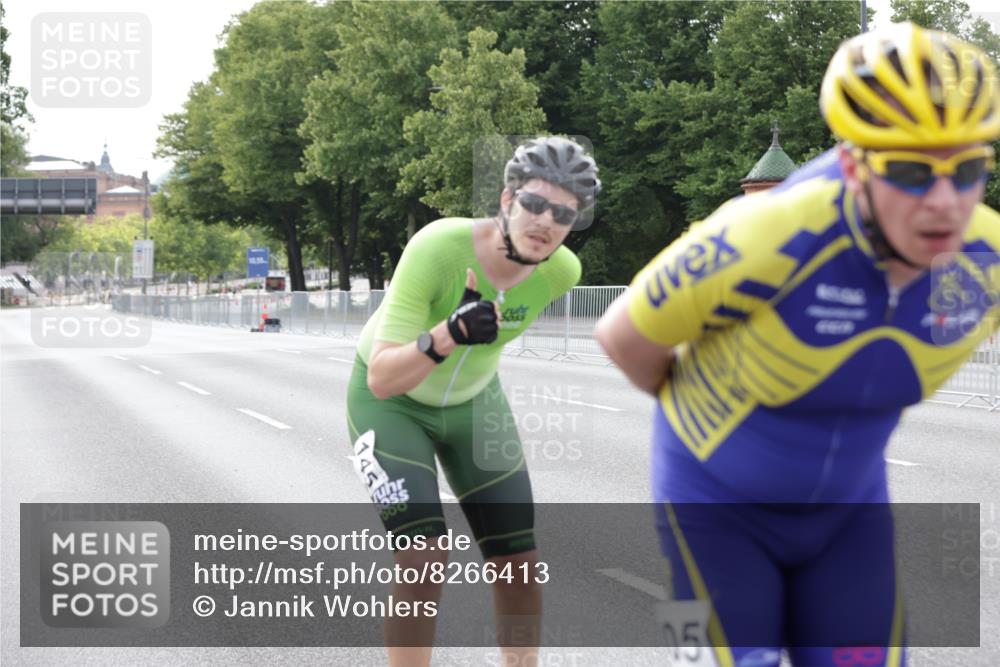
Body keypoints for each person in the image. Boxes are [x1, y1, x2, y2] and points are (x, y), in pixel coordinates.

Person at [596, 22, 1000, 667]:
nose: (946, 202)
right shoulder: (766, 231)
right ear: (854, 165)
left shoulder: (988, 261)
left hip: (850, 512)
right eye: (909, 170)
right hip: (711, 503)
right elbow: (622, 336)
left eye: (971, 168)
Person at [345, 136, 599, 666]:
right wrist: (448, 335)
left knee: (519, 564)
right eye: (533, 203)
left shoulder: (562, 272)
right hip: (393, 404)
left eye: (563, 213)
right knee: (422, 556)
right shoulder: (439, 247)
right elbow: (383, 380)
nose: (545, 221)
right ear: (507, 201)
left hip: (475, 404)